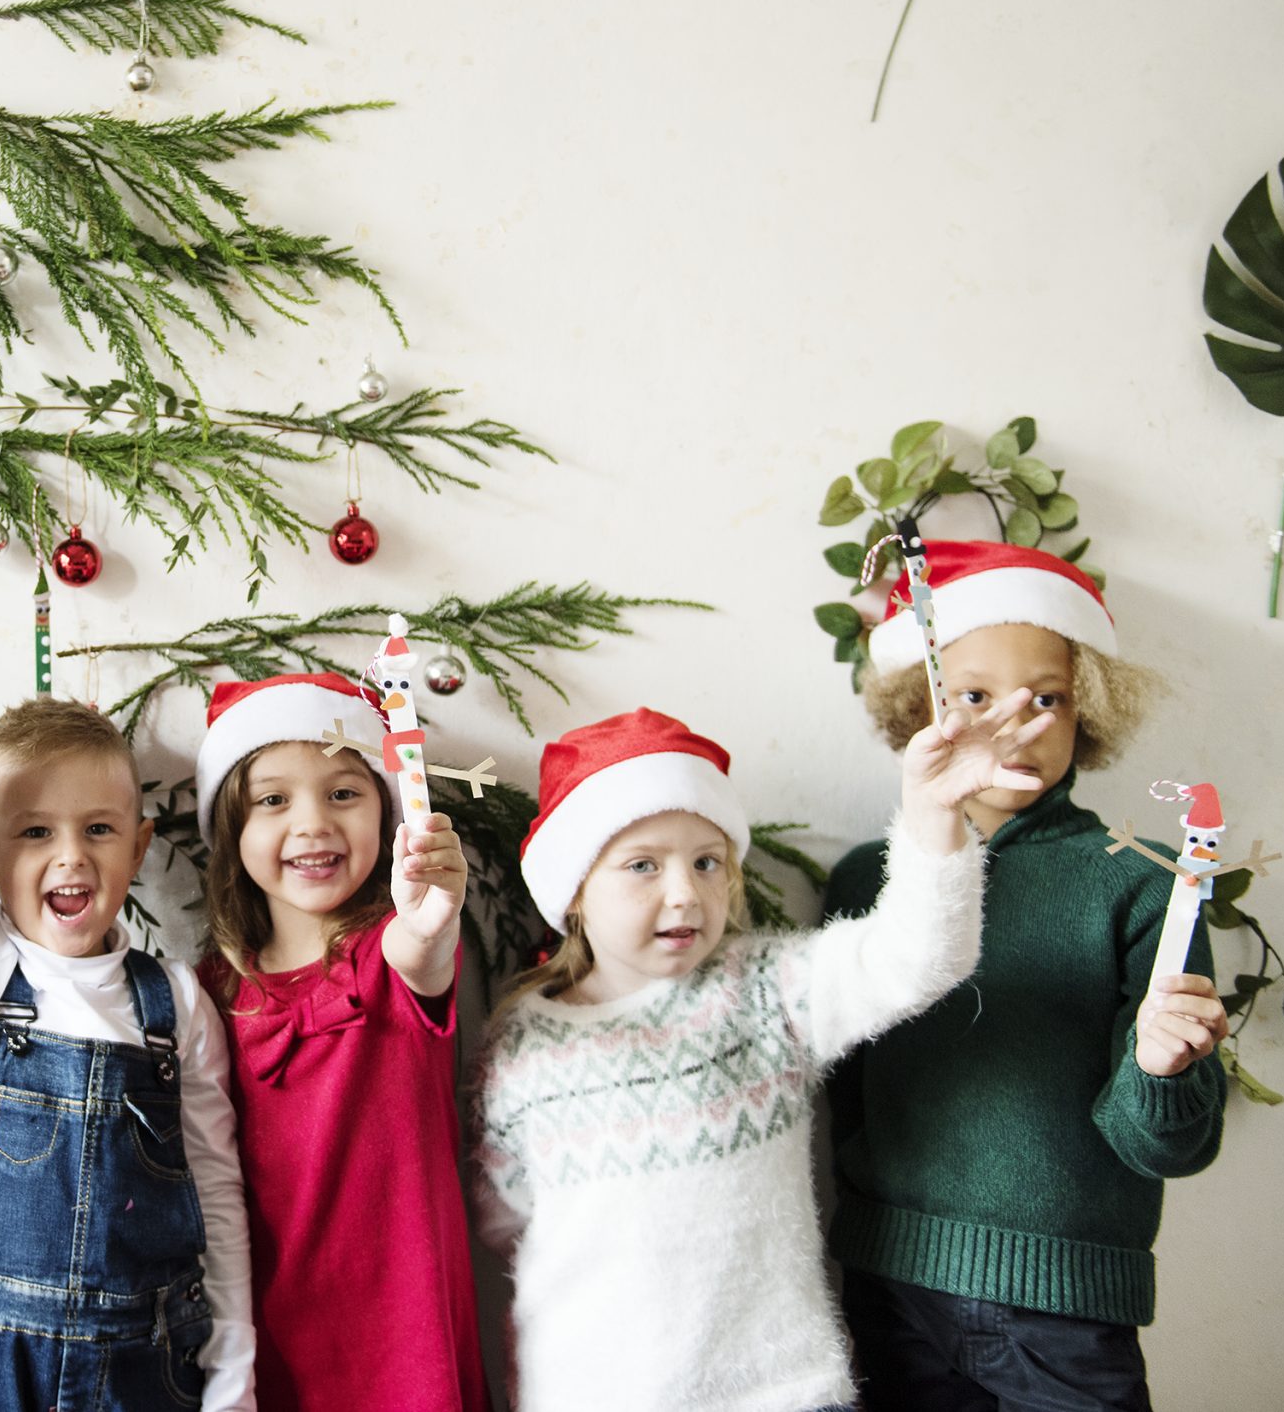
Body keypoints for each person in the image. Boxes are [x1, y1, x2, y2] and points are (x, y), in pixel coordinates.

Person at [472, 698, 1048, 1412]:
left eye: (707, 862)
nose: (685, 894)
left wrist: (932, 818)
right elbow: (504, 1220)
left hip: (777, 1388)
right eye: (643, 866)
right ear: (576, 890)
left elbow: (918, 959)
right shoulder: (524, 1043)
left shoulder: (765, 990)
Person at [827, 542, 1227, 1412]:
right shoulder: (866, 880)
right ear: (919, 704)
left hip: (1066, 1314)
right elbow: (841, 1087)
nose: (1019, 722)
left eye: (1048, 698)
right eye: (975, 695)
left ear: (1089, 712)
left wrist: (1163, 1072)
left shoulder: (1144, 885)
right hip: (885, 1289)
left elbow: (1172, 1146)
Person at [0, 512, 254, 1411]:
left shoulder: (172, 1004)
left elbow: (215, 1194)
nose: (69, 858)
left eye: (97, 830)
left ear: (138, 845)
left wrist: (234, 1378)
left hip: (146, 1367)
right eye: (34, 833)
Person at [191, 672, 487, 1412]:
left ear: (385, 813)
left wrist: (430, 915)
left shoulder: (391, 954)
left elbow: (423, 949)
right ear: (233, 830)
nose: (313, 823)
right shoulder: (208, 993)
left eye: (344, 793)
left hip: (403, 1340)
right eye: (273, 799)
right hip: (269, 1339)